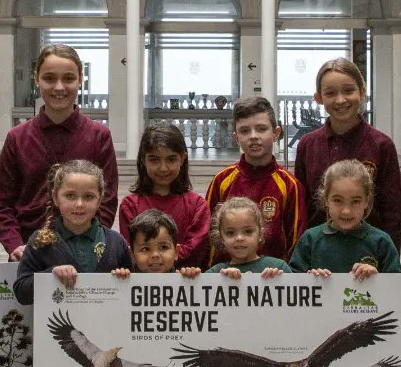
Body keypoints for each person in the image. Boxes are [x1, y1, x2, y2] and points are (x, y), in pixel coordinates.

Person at [0, 44, 119, 262]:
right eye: (49, 78)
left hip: (84, 252)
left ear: (80, 79)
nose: (59, 87)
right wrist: (14, 244)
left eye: (68, 78)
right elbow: (2, 203)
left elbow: (107, 200)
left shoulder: (99, 136)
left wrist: (93, 241)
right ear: (36, 79)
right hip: (30, 252)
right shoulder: (17, 138)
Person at [295, 57, 401, 250]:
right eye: (330, 93)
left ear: (362, 92)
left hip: (369, 254)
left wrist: (389, 258)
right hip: (320, 254)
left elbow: (392, 211)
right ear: (318, 97)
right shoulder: (307, 145)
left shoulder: (382, 145)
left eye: (348, 91)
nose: (340, 100)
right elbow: (303, 208)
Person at [13, 160, 131, 305]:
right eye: (70, 196)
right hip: (59, 326)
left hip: (106, 326)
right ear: (56, 197)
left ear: (100, 199)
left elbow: (131, 296)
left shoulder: (116, 242)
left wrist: (125, 279)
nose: (79, 204)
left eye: (88, 197)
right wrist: (52, 274)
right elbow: (21, 293)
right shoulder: (40, 241)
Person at [205, 96, 306, 264]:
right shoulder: (221, 181)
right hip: (225, 280)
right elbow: (208, 236)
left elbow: (296, 243)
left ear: (276, 134)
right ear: (236, 137)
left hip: (272, 280)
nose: (253, 136)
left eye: (261, 129)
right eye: (244, 131)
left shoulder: (290, 186)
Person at [290, 159, 401, 279]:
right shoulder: (309, 240)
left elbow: (396, 289)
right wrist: (309, 279)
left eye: (355, 201)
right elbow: (292, 286)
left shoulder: (381, 242)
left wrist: (376, 278)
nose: (346, 211)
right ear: (326, 199)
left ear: (366, 201)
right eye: (338, 200)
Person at [118, 122, 209, 268]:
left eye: (171, 159)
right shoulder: (130, 205)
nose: (163, 168)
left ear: (183, 159)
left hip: (187, 285)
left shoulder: (198, 205)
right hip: (143, 287)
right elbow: (132, 251)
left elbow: (195, 252)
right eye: (154, 159)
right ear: (143, 160)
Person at [205, 197, 293, 279]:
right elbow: (196, 293)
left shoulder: (279, 267)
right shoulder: (215, 274)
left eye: (248, 231)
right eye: (230, 233)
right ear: (221, 238)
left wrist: (278, 281)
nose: (239, 238)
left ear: (260, 234)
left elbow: (295, 293)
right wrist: (192, 278)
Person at [110, 209, 203, 278]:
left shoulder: (185, 279)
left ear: (176, 252)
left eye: (163, 247)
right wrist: (118, 282)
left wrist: (192, 280)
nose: (155, 255)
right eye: (145, 249)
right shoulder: (125, 280)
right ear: (132, 255)